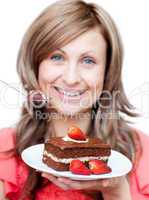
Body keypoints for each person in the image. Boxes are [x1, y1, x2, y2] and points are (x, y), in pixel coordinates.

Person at [0, 0, 149, 199]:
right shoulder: (5, 148)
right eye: (57, 57)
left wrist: (116, 190)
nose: (71, 78)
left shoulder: (143, 152)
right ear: (36, 65)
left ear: (106, 72)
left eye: (88, 61)